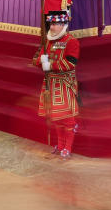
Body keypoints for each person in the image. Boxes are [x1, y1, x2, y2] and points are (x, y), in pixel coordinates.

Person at [33, 10, 80, 158]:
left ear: (63, 24)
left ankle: (68, 147)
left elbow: (70, 63)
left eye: (55, 24)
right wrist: (40, 61)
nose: (52, 27)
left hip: (64, 84)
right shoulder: (48, 40)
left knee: (67, 118)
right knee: (56, 117)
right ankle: (60, 145)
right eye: (51, 24)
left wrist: (50, 65)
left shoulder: (71, 41)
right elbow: (36, 58)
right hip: (50, 84)